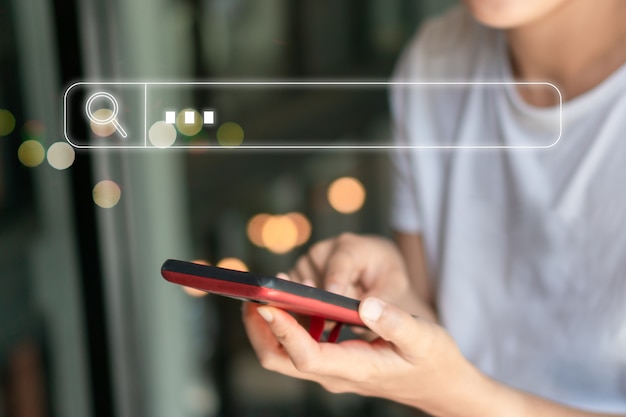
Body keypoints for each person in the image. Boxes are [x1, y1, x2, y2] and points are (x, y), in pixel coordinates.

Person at [243, 0, 626, 416]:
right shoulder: (436, 61)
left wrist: (452, 396)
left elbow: (449, 386)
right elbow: (438, 334)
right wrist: (392, 290)